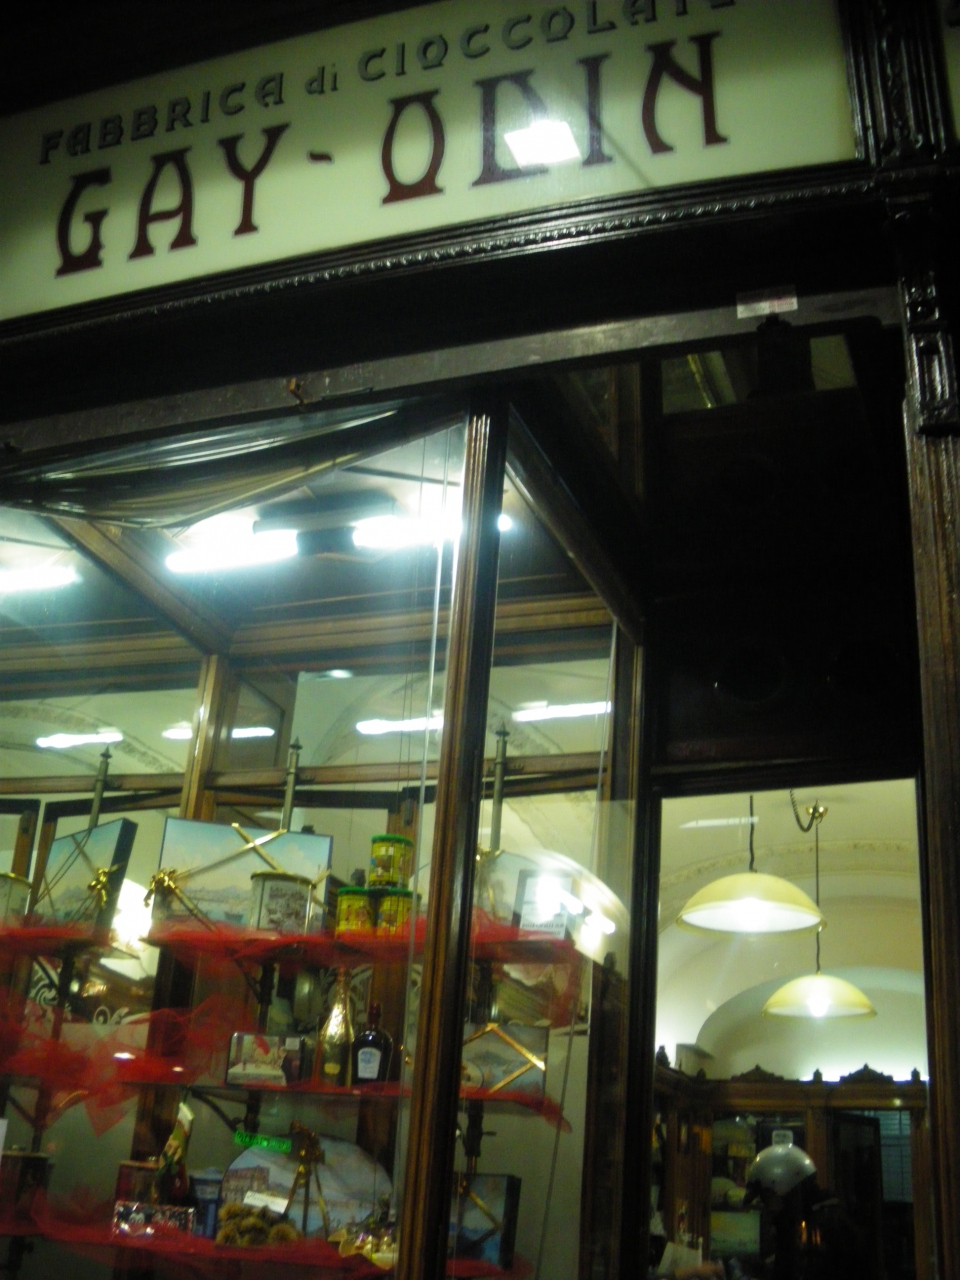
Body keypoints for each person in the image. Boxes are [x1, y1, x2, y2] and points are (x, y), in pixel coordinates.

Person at [742, 1143, 861, 1280]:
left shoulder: (826, 1226)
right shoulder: (801, 1222)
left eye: (767, 1198)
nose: (768, 1208)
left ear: (785, 1188)